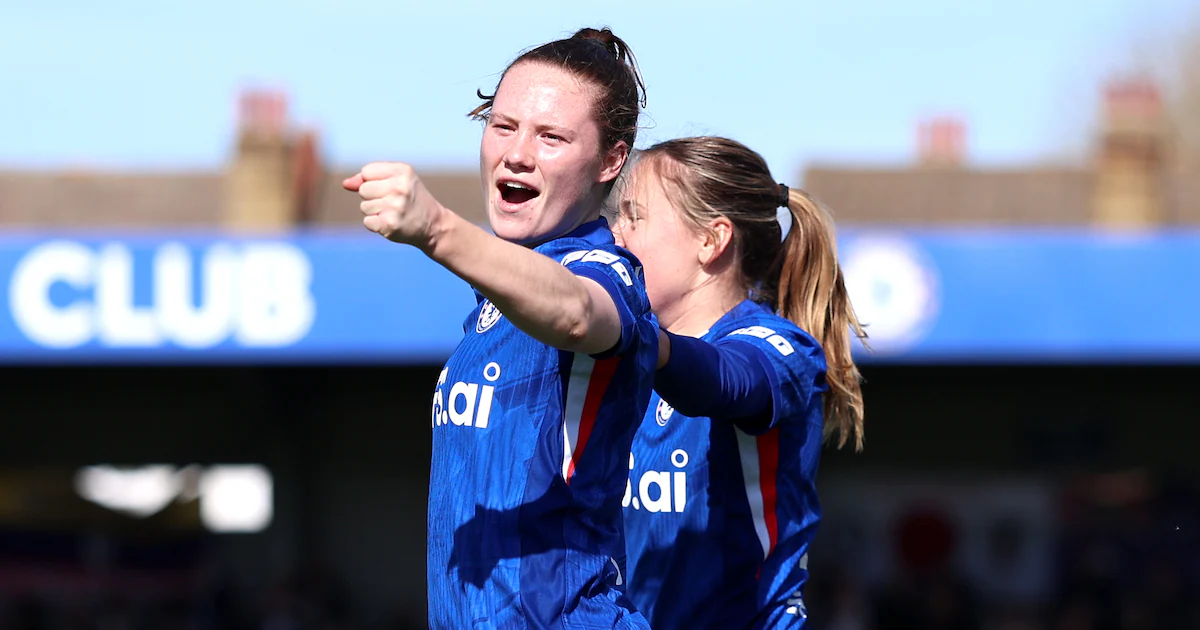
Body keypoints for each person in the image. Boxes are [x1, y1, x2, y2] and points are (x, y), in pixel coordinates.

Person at [343, 28, 657, 629]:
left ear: (611, 160)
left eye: (552, 137)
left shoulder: (605, 272)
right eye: (503, 125)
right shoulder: (495, 299)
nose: (517, 153)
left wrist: (437, 229)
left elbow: (576, 313)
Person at [612, 136, 868, 629]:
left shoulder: (778, 348)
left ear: (711, 240)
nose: (615, 233)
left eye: (634, 216)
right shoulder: (623, 363)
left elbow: (727, 381)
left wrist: (637, 341)